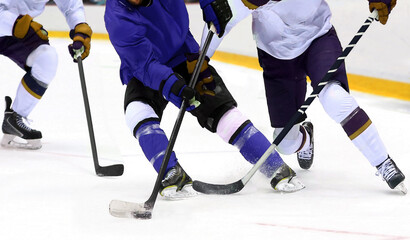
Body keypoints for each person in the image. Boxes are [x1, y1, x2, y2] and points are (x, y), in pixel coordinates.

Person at [104, 0, 305, 199]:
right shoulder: (117, 16)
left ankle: (274, 166)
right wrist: (172, 85)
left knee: (222, 113)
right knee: (137, 111)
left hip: (186, 55)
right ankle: (172, 173)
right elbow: (144, 65)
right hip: (148, 67)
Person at [201, 0, 406, 193]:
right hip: (276, 54)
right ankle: (305, 138)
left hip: (318, 38)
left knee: (335, 98)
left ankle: (383, 162)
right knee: (285, 144)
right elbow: (221, 16)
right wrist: (199, 60)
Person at [0, 0, 92, 150]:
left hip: (18, 27)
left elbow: (70, 5)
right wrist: (14, 24)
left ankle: (14, 120)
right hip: (13, 23)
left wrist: (79, 27)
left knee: (46, 58)